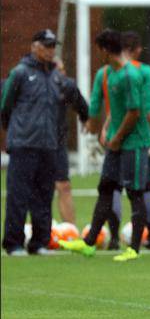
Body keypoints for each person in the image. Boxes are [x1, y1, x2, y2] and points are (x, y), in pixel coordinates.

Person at [58, 29, 150, 262]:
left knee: (135, 192)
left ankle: (134, 249)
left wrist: (117, 137)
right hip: (116, 143)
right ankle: (89, 243)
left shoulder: (130, 75)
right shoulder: (107, 74)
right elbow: (107, 109)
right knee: (106, 188)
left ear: (104, 49)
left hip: (134, 142)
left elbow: (134, 112)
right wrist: (99, 128)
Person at [1, 29, 62, 256]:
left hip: (48, 145)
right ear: (34, 46)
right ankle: (13, 243)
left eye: (53, 45)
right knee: (18, 195)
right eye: (46, 45)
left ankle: (39, 242)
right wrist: (18, 132)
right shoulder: (19, 73)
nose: (50, 50)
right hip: (23, 144)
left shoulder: (55, 75)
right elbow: (5, 106)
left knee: (44, 196)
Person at [103, 30, 150, 250]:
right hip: (139, 137)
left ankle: (114, 239)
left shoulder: (111, 71)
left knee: (114, 187)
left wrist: (105, 130)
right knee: (143, 187)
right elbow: (148, 103)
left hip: (116, 136)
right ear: (137, 49)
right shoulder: (143, 71)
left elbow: (116, 107)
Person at [52, 57, 89, 225]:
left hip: (57, 142)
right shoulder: (25, 80)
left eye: (64, 70)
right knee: (34, 190)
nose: (63, 74)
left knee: (64, 185)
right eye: (60, 70)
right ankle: (33, 233)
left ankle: (70, 233)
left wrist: (87, 120)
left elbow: (83, 107)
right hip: (33, 144)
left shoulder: (66, 87)